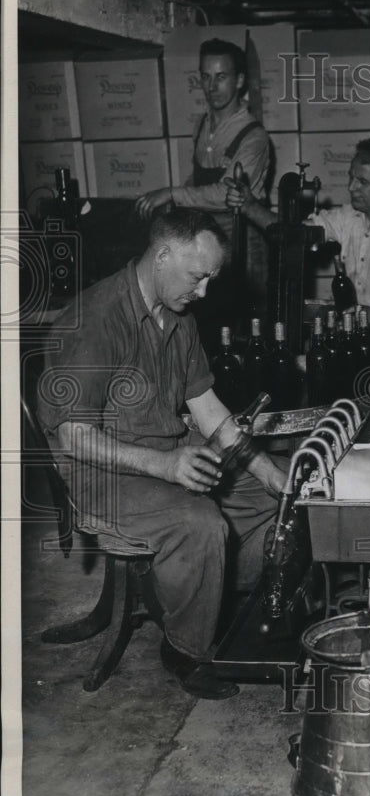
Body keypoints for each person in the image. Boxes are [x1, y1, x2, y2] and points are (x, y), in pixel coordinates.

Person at [36, 208, 286, 700]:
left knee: (268, 498)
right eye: (199, 277)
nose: (204, 292)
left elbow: (208, 410)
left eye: (211, 279)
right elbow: (72, 437)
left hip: (162, 449)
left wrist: (270, 470)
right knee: (200, 521)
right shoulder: (96, 319)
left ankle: (224, 604)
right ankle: (185, 648)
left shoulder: (178, 316)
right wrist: (167, 465)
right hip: (100, 472)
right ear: (163, 254)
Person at [135, 38, 273, 326]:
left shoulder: (254, 136)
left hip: (243, 245)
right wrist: (174, 203)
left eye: (221, 77)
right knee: (208, 320)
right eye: (206, 77)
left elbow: (225, 193)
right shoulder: (202, 124)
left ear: (240, 81)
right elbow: (198, 178)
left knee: (246, 323)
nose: (211, 87)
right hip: (208, 239)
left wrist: (173, 192)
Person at [226, 137, 370, 327]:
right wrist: (249, 206)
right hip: (353, 330)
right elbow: (293, 233)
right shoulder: (347, 217)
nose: (352, 187)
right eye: (350, 178)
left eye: (362, 182)